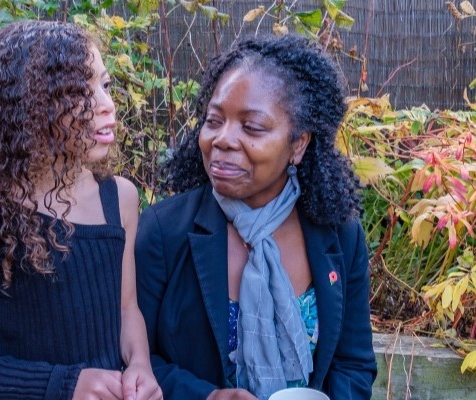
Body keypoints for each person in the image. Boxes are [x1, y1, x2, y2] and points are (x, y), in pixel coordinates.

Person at [0, 20, 161, 400]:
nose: (107, 106)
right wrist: (64, 385)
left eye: (105, 86)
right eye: (79, 92)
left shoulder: (120, 199)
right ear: (30, 107)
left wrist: (140, 364)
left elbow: (127, 309)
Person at [135, 35, 377, 400]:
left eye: (252, 127)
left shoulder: (339, 237)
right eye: (214, 121)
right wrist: (206, 397)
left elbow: (353, 365)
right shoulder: (163, 233)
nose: (223, 140)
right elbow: (134, 361)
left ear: (298, 144)